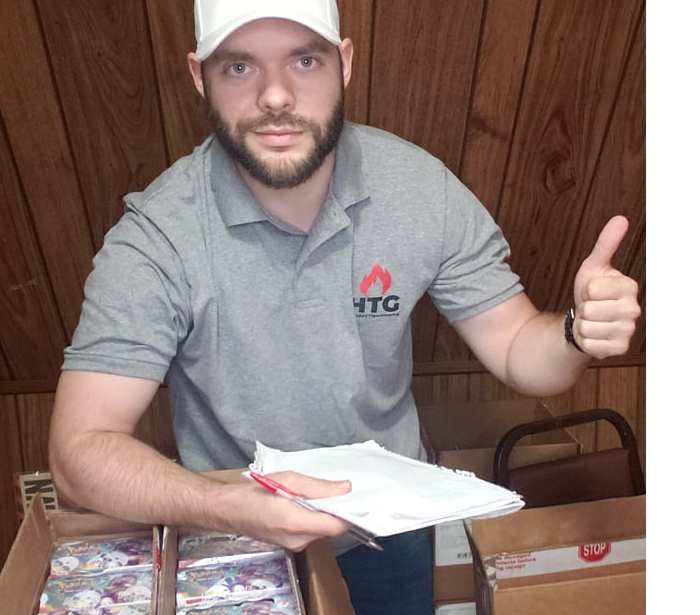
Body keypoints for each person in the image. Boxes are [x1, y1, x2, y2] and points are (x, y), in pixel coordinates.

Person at [47, 1, 641, 614]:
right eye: (239, 67)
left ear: (345, 63)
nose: (276, 95)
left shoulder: (419, 189)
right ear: (200, 77)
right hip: (234, 537)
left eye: (305, 61)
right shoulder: (157, 235)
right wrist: (228, 504)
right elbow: (79, 451)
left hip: (389, 529)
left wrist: (576, 332)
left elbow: (518, 350)